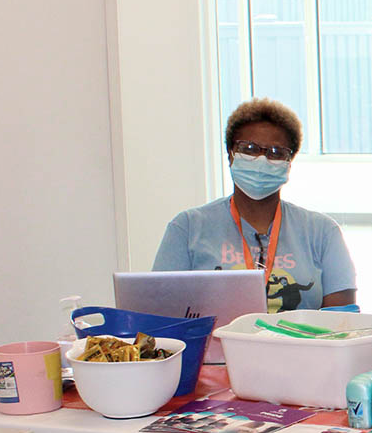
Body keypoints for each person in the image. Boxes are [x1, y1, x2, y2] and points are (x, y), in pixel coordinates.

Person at [152, 98, 356, 312]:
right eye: (249, 149)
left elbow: (341, 324)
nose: (261, 160)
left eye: (276, 152)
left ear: (289, 162)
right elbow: (160, 313)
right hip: (214, 345)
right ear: (230, 155)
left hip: (300, 345)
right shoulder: (187, 228)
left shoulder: (322, 232)